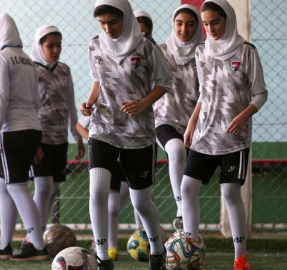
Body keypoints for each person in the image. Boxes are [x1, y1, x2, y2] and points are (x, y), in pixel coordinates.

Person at [82, 0, 173, 269]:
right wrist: (89, 103)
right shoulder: (95, 45)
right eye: (102, 24)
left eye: (113, 22)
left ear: (126, 18)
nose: (108, 28)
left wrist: (143, 104)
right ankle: (102, 257)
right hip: (103, 126)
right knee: (97, 190)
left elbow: (165, 83)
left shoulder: (146, 46)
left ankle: (157, 249)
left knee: (141, 202)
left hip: (138, 132)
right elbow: (97, 80)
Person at [181, 1, 268, 270]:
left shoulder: (246, 51)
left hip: (234, 138)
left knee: (230, 192)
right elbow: (203, 95)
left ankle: (240, 257)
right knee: (187, 188)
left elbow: (260, 94)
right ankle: (189, 248)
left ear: (228, 19)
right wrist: (191, 124)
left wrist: (243, 116)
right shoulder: (201, 52)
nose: (210, 28)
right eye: (205, 24)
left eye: (214, 22)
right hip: (204, 134)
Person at [0, 13, 49, 261]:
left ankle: (38, 245)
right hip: (32, 129)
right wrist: (37, 140)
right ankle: (4, 246)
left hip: (11, 129)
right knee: (4, 183)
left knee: (17, 186)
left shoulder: (1, 58)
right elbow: (36, 100)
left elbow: (1, 97)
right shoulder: (27, 60)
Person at [29, 25, 84, 234]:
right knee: (42, 189)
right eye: (50, 46)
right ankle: (34, 236)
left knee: (52, 190)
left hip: (60, 138)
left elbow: (70, 105)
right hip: (40, 137)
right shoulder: (31, 70)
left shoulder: (64, 70)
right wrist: (33, 142)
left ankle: (41, 232)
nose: (55, 50)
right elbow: (28, 106)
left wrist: (77, 136)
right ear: (39, 45)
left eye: (58, 45)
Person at [153, 4, 203, 231]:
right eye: (179, 23)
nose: (184, 29)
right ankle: (180, 207)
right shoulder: (160, 52)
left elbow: (208, 91)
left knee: (192, 182)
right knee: (175, 150)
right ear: (173, 24)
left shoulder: (205, 53)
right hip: (164, 119)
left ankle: (190, 236)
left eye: (190, 24)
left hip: (196, 123)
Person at [76, 116, 130, 261]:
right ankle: (109, 248)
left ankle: (146, 237)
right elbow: (79, 125)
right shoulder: (99, 98)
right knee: (112, 207)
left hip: (131, 151)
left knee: (142, 199)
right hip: (108, 158)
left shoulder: (135, 96)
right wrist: (94, 140)